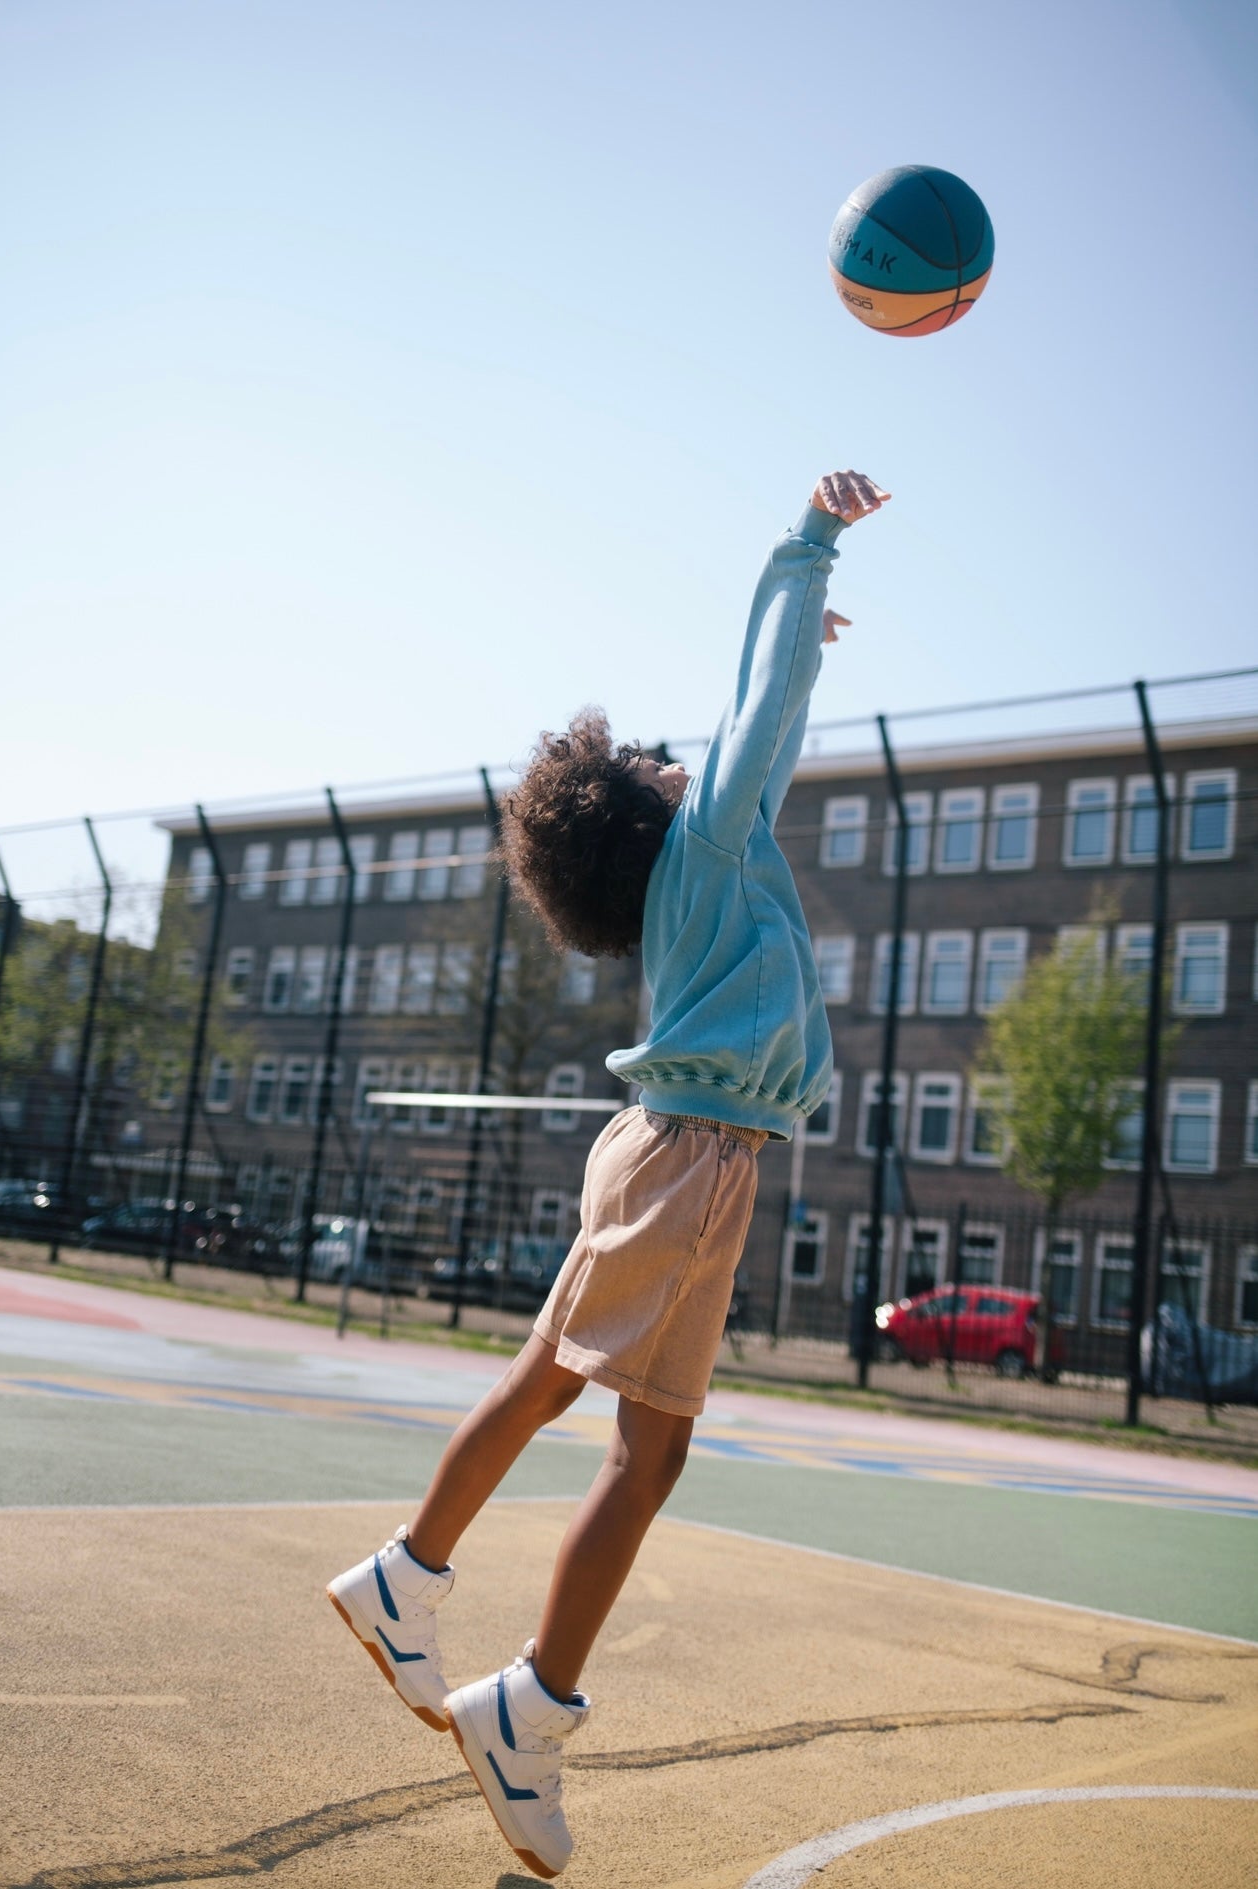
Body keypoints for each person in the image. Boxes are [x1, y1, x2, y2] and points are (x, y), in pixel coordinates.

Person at [327, 468, 890, 1880]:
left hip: (689, 1158)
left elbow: (772, 719)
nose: (691, 760)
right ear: (655, 809)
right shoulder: (705, 849)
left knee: (611, 1420)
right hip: (690, 1162)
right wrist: (805, 551)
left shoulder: (709, 867)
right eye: (666, 760)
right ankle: (479, 1651)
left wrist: (800, 633)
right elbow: (756, 716)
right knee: (617, 1430)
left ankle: (461, 1632)